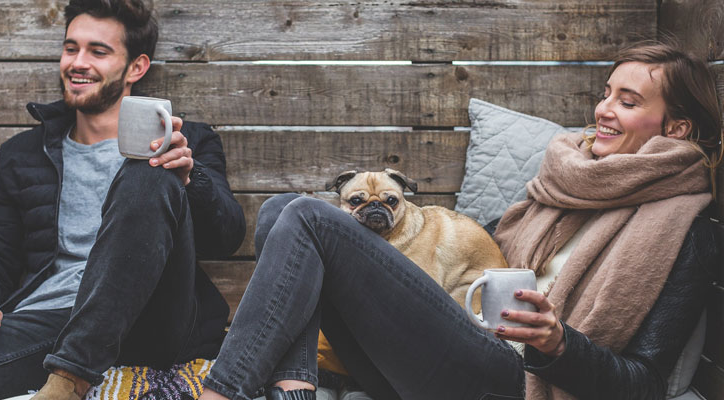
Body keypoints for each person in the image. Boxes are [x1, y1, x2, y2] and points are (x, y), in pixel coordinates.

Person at [197, 42, 721, 400]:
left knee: (310, 217)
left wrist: (559, 343)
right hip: (446, 347)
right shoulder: (571, 179)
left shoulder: (682, 227)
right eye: (606, 92)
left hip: (510, 377)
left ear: (675, 127)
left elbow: (647, 384)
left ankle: (223, 390)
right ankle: (294, 389)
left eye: (627, 102)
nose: (604, 109)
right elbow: (488, 247)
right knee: (275, 214)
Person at [0, 0, 245, 399]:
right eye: (71, 48)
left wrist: (189, 177)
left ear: (136, 67)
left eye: (98, 51)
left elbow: (227, 236)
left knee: (149, 166)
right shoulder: (22, 155)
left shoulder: (187, 141)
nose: (78, 62)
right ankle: (70, 364)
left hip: (150, 320)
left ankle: (68, 381)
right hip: (47, 323)